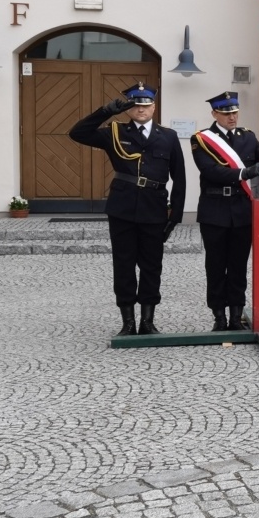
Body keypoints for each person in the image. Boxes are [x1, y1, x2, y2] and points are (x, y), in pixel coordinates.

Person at [69, 82, 187, 336]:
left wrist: (175, 216)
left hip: (154, 209)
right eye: (135, 105)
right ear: (128, 109)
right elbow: (77, 133)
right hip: (122, 208)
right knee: (123, 265)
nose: (141, 110)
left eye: (146, 105)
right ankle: (128, 322)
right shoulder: (114, 131)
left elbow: (180, 176)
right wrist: (105, 111)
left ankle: (147, 321)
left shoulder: (168, 136)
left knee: (151, 265)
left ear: (154, 107)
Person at [191, 91, 259, 332]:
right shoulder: (202, 139)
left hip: (241, 210)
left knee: (238, 265)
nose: (232, 117)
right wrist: (244, 173)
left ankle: (236, 315)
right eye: (226, 113)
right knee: (216, 265)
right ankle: (218, 316)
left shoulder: (248, 138)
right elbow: (210, 171)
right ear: (214, 114)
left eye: (235, 112)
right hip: (215, 210)